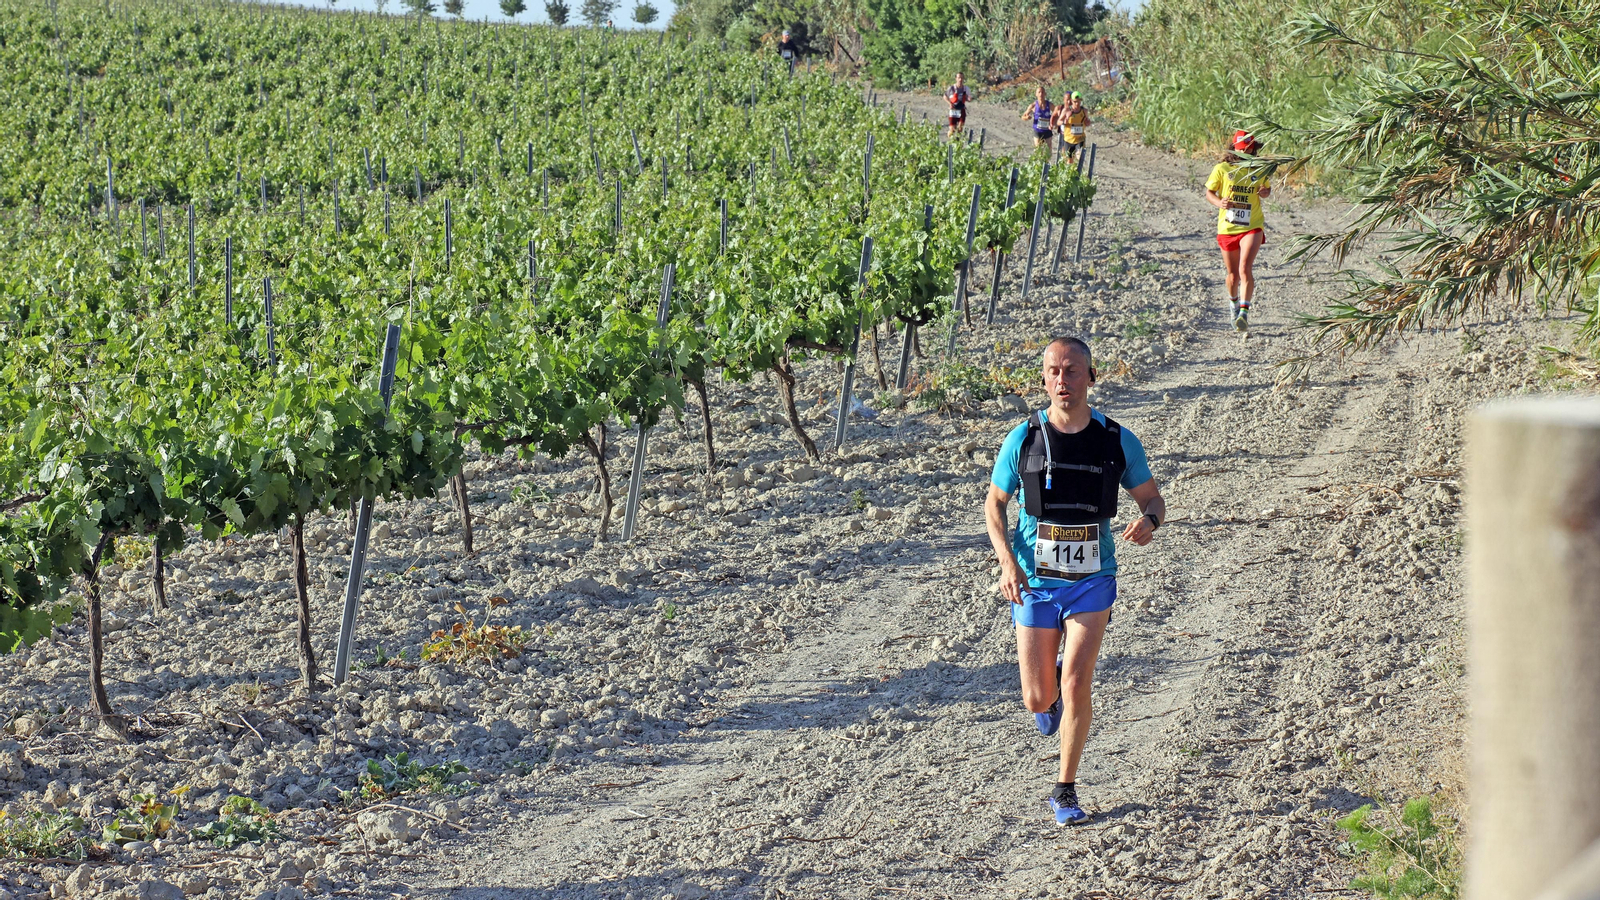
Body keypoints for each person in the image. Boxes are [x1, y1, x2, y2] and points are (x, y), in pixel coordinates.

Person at [985, 337, 1166, 827]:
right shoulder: (1023, 437)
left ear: (1091, 377)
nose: (1062, 380)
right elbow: (994, 504)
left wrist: (1149, 522)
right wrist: (1007, 562)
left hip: (1092, 581)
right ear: (1043, 378)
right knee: (1037, 697)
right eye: (1053, 371)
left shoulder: (1115, 439)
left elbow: (1153, 500)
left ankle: (1065, 790)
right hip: (1035, 582)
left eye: (1072, 371)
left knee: (1078, 677)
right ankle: (1051, 702)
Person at [1205, 130, 1271, 332]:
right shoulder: (1222, 168)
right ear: (1235, 148)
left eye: (1248, 150)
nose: (1245, 153)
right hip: (1228, 227)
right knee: (1233, 276)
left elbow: (1267, 191)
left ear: (1253, 148)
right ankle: (1233, 303)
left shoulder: (1259, 169)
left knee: (1245, 268)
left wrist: (1264, 191)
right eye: (1241, 150)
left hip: (1252, 225)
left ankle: (1244, 313)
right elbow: (1209, 192)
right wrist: (1220, 202)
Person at [1056, 91, 1091, 164]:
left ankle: (1078, 174)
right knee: (1069, 162)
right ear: (1071, 101)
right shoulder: (1066, 110)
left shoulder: (1084, 111)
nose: (1077, 103)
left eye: (1079, 101)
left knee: (1080, 158)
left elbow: (1087, 122)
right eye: (1075, 102)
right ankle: (1071, 174)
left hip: (1080, 139)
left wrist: (1088, 123)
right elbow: (1058, 122)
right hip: (1069, 140)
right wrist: (1064, 122)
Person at [1021, 85, 1054, 149]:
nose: (1041, 94)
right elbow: (1023, 116)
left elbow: (1056, 114)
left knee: (1048, 151)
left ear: (1045, 94)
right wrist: (1027, 117)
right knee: (1038, 151)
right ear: (1036, 94)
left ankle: (1047, 159)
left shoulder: (1050, 105)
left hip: (1047, 130)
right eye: (1039, 92)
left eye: (1042, 92)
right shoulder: (1033, 106)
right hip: (1038, 131)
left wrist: (1054, 122)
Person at [945, 73, 972, 140]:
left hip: (961, 109)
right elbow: (945, 97)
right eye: (959, 78)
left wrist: (969, 99)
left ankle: (957, 143)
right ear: (956, 78)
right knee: (952, 130)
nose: (960, 79)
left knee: (960, 129)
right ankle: (950, 141)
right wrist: (950, 104)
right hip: (953, 110)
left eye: (962, 78)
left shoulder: (966, 88)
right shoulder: (951, 88)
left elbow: (969, 97)